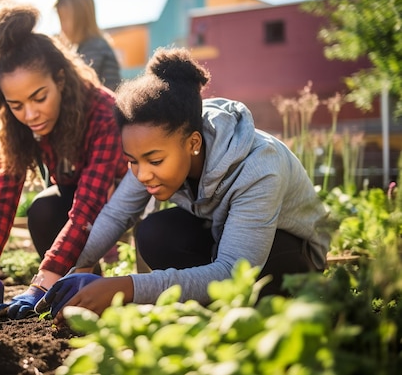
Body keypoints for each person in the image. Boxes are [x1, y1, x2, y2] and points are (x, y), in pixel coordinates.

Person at [36, 47, 330, 319]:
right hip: (224, 245)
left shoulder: (259, 166)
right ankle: (208, 310)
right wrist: (77, 265)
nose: (141, 174)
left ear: (193, 143)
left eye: (153, 160)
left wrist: (125, 287)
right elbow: (116, 213)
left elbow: (232, 271)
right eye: (132, 161)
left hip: (290, 259)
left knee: (268, 267)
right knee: (155, 232)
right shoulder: (158, 147)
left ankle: (259, 314)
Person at [0, 0, 129, 319]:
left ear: (60, 79)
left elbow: (88, 208)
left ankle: (82, 285)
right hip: (78, 206)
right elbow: (2, 196)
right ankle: (73, 290)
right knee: (44, 209)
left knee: (58, 217)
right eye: (16, 105)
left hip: (122, 206)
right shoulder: (18, 123)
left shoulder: (102, 111)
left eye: (39, 98)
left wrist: (41, 281)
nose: (30, 114)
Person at [55, 0, 121, 91]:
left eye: (64, 19)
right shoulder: (83, 47)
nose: (62, 27)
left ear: (81, 18)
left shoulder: (95, 47)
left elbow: (78, 85)